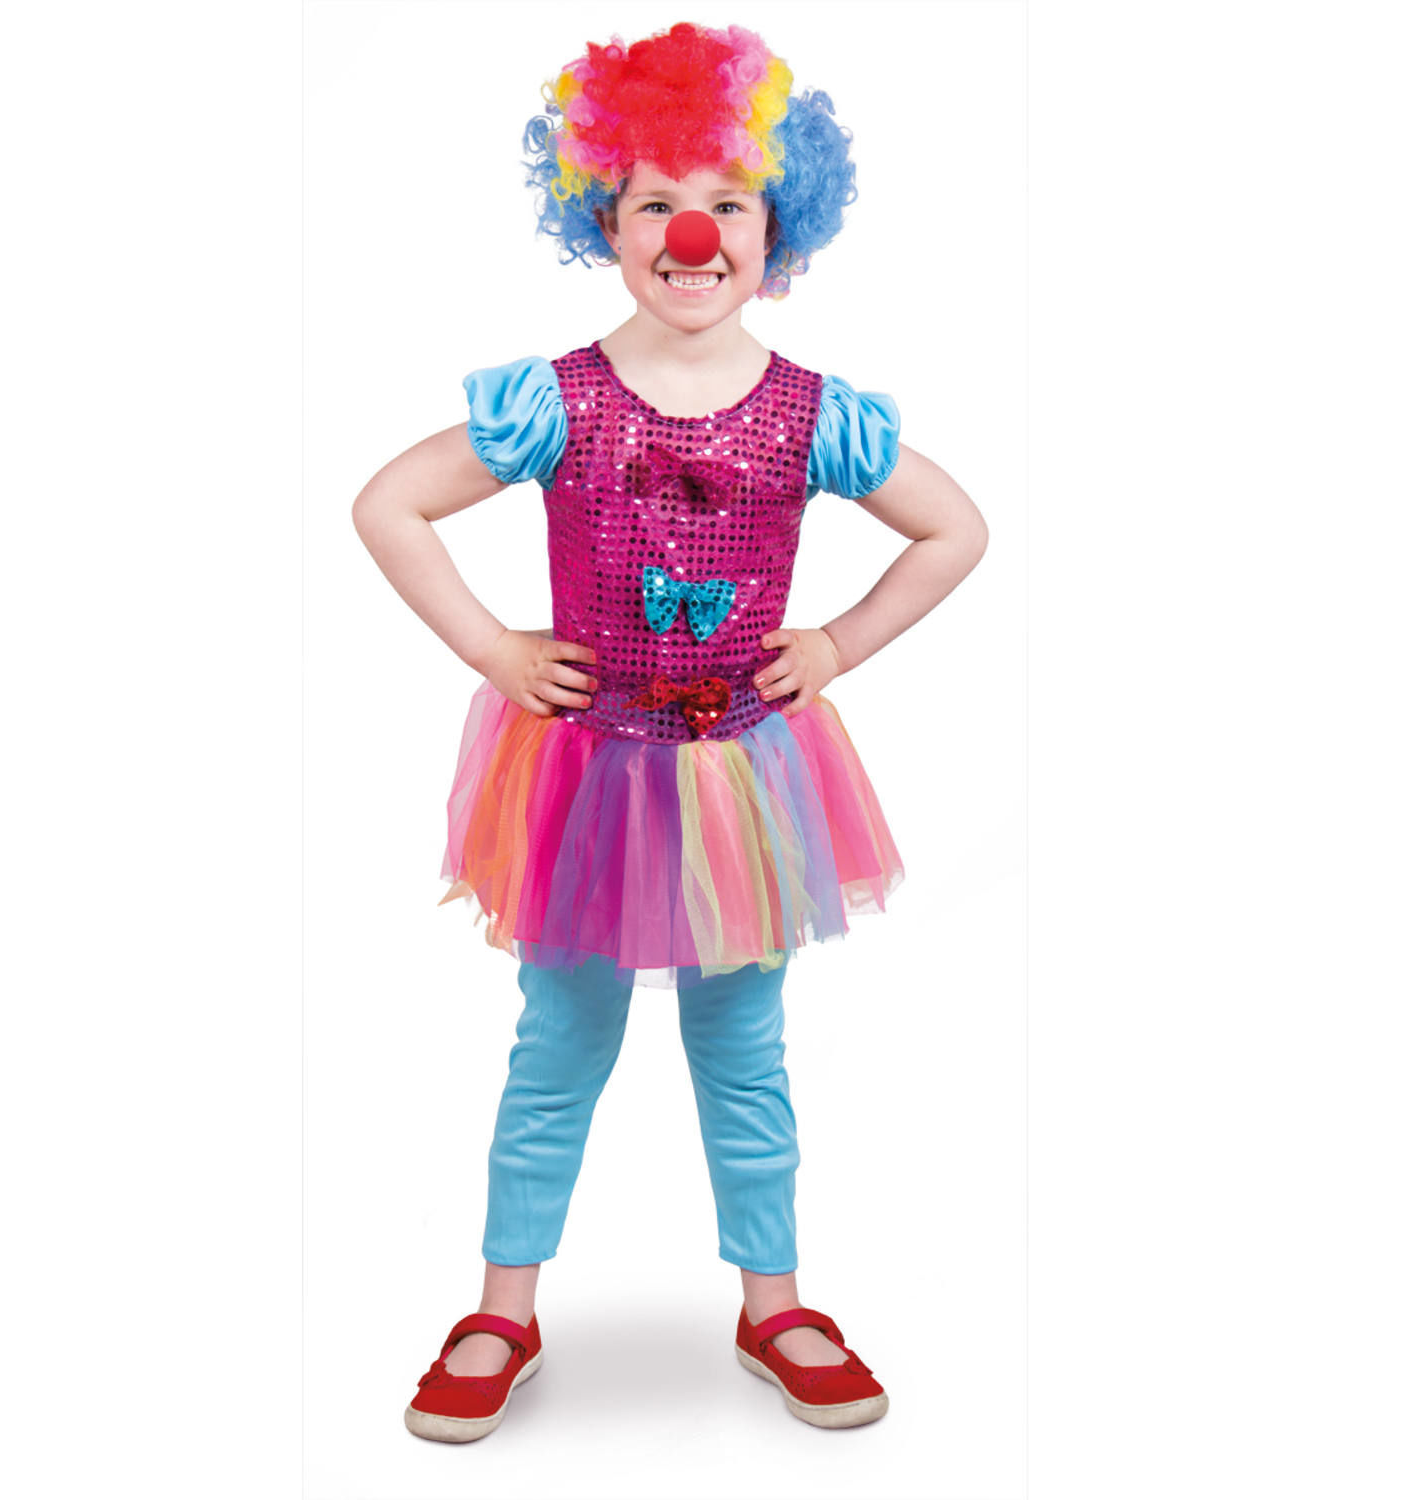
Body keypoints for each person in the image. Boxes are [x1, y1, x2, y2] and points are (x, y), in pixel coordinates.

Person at [353, 20, 988, 1442]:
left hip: (743, 785)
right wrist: (494, 648)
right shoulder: (557, 402)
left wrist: (837, 644)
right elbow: (388, 503)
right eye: (655, 202)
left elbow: (956, 529)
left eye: (728, 204)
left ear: (778, 230)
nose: (691, 235)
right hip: (588, 780)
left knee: (745, 1048)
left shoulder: (814, 415)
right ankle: (502, 1308)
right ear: (605, 221)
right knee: (558, 1043)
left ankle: (776, 1303)